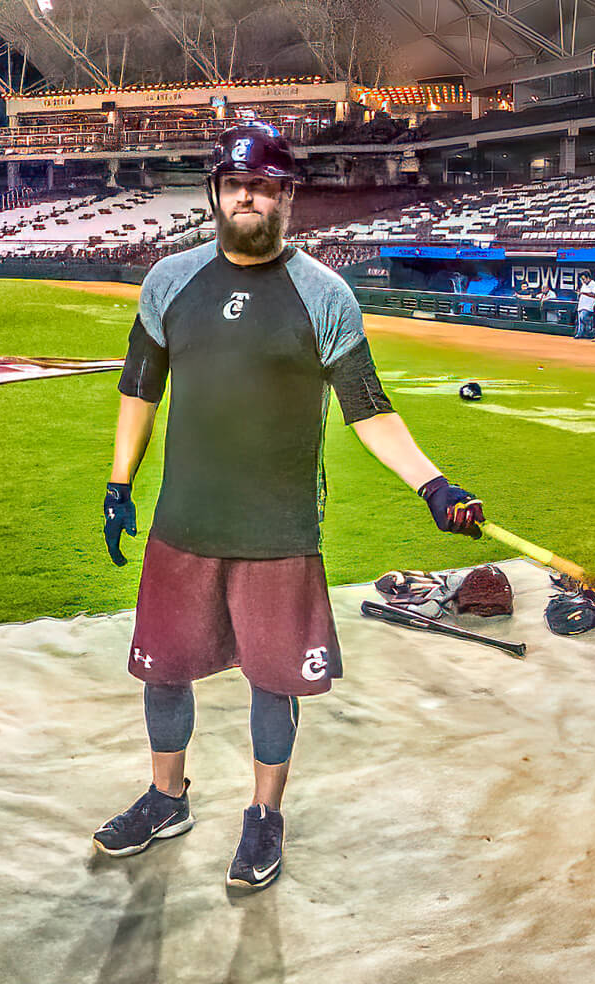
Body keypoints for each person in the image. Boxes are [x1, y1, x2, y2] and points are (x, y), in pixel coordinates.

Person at [98, 125, 485, 893]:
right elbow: (140, 388)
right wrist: (119, 485)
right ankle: (166, 797)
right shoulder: (169, 282)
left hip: (279, 529)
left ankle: (264, 815)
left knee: (273, 681)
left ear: (286, 197)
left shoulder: (324, 295)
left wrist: (434, 484)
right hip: (185, 522)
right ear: (215, 191)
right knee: (164, 671)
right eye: (237, 183)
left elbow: (369, 408)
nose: (249, 195)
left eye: (265, 185)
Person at [574, 273, 595, 339]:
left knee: (583, 317)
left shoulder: (593, 284)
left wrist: (583, 293)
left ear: (588, 278)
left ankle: (591, 330)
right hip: (581, 305)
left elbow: (594, 294)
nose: (583, 281)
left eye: (584, 279)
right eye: (582, 279)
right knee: (580, 320)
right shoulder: (583, 285)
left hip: (589, 306)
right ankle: (580, 334)